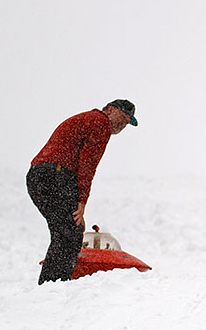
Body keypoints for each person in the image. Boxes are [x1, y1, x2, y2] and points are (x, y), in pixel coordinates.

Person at [27, 99, 137, 284]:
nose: (123, 123)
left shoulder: (87, 119)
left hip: (37, 176)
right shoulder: (100, 122)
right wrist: (82, 201)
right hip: (56, 175)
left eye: (128, 122)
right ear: (110, 110)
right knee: (69, 232)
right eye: (123, 117)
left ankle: (52, 284)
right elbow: (88, 163)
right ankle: (53, 286)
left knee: (67, 230)